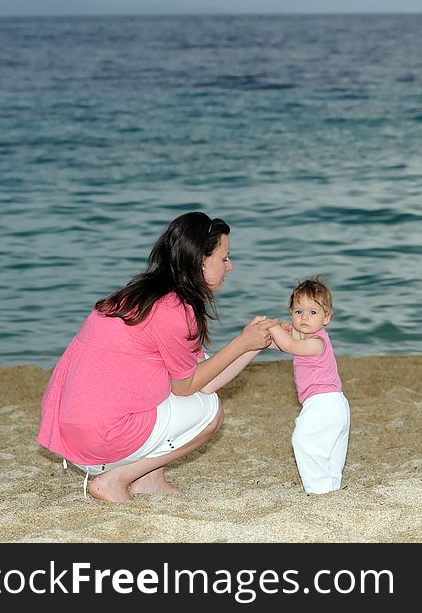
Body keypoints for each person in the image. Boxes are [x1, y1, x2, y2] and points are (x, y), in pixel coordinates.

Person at [37, 211, 279, 502]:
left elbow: (204, 377)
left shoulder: (142, 296)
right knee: (210, 412)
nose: (230, 266)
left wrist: (253, 345)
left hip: (75, 433)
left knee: (190, 397)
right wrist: (241, 343)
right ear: (201, 260)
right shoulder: (174, 310)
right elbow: (188, 387)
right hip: (99, 440)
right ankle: (116, 480)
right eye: (224, 258)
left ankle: (149, 480)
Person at [268, 277, 350, 494]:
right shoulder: (307, 339)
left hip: (323, 403)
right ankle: (331, 485)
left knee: (304, 441)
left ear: (327, 318)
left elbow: (289, 345)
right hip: (334, 404)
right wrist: (280, 335)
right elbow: (286, 344)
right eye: (298, 312)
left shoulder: (317, 342)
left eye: (313, 312)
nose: (304, 317)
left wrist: (272, 327)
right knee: (330, 449)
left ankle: (318, 489)